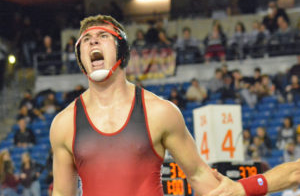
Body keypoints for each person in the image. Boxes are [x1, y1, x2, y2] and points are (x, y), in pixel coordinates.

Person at [50, 14, 221, 196]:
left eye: (103, 36)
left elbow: (199, 174)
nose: (93, 42)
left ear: (121, 49)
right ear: (80, 57)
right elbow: (62, 193)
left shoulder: (159, 112)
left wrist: (239, 190)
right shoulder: (64, 124)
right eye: (86, 39)